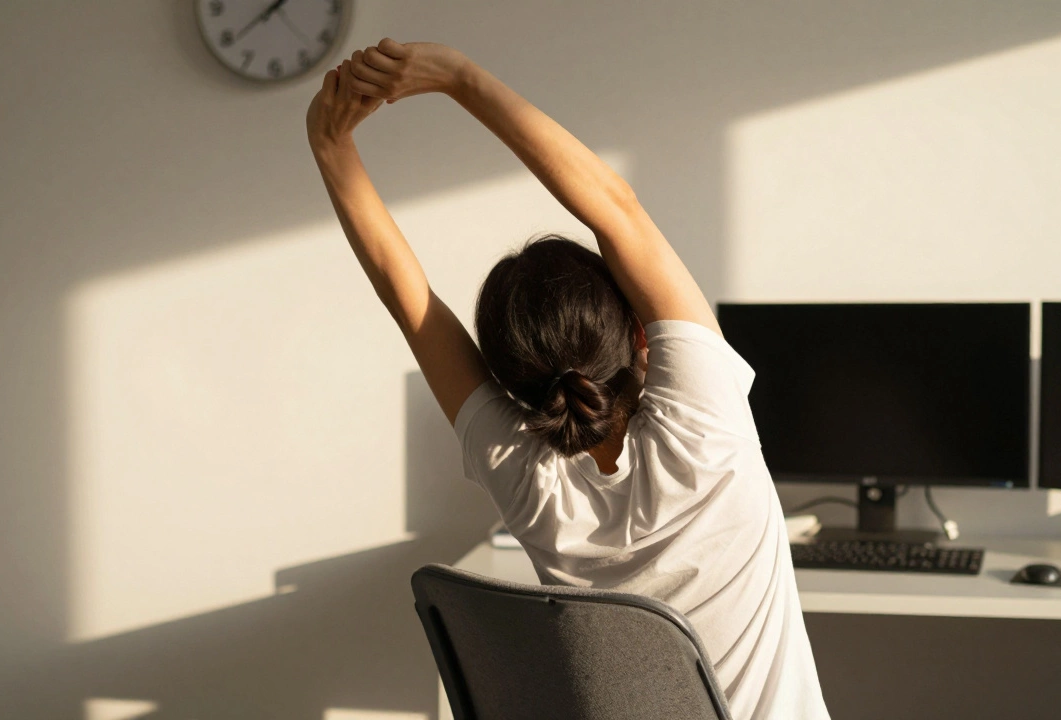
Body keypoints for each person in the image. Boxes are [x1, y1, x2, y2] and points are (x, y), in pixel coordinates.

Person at [307, 39, 831, 720]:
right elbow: (619, 210)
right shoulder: (705, 427)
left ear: (507, 384)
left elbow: (410, 303)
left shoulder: (526, 481)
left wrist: (329, 144)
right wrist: (460, 78)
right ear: (643, 336)